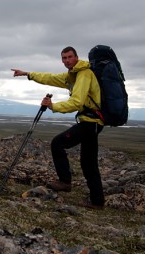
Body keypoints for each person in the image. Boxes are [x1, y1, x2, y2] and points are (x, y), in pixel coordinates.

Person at [11, 46, 105, 210]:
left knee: (58, 143)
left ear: (77, 57)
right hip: (92, 122)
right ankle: (97, 201)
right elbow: (50, 78)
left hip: (91, 122)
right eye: (64, 58)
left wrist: (53, 106)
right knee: (88, 162)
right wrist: (28, 74)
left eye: (69, 57)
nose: (67, 60)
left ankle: (65, 182)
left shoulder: (84, 74)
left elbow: (77, 102)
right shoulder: (72, 75)